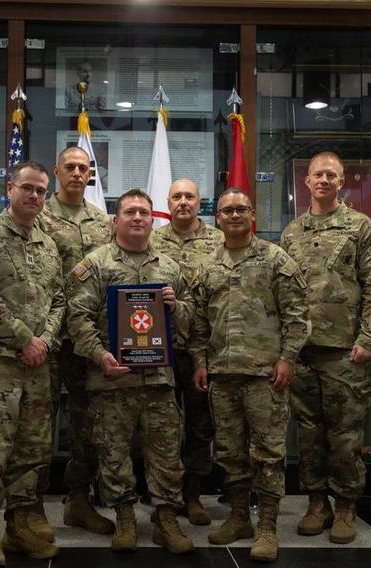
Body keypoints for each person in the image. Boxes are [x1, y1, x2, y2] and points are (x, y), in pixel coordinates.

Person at [67, 189, 194, 554]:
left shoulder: (170, 267)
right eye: (129, 212)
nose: (138, 217)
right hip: (110, 379)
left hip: (158, 380)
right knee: (113, 452)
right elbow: (78, 317)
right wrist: (99, 354)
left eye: (143, 212)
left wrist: (175, 306)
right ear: (115, 220)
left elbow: (191, 319)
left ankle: (165, 519)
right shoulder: (95, 264)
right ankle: (124, 515)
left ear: (153, 220)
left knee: (167, 452)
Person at [280, 151, 371, 544]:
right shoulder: (292, 232)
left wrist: (368, 340)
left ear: (342, 181)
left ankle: (346, 506)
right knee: (309, 434)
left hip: (345, 351)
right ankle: (316, 503)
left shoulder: (361, 228)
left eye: (332, 175)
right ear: (306, 181)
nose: (324, 180)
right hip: (303, 351)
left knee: (346, 437)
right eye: (317, 175)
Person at [190, 189, 310, 562]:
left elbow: (297, 314)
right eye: (228, 210)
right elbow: (197, 321)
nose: (235, 215)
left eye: (241, 209)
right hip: (222, 375)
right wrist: (199, 361)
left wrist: (288, 358)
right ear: (218, 218)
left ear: (252, 214)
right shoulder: (208, 266)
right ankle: (239, 516)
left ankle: (268, 526)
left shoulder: (276, 260)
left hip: (265, 374)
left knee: (269, 453)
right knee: (230, 452)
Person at [0, 160, 65, 564]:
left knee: (32, 449)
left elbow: (59, 300)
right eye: (28, 188)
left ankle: (20, 526)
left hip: (37, 365)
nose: (35, 196)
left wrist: (45, 340)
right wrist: (24, 338)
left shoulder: (49, 243)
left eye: (41, 190)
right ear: (10, 188)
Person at [36, 146, 114, 536]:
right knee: (37, 424)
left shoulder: (103, 223)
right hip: (46, 338)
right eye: (70, 167)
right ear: (56, 170)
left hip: (88, 341)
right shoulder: (38, 216)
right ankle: (29, 510)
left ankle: (78, 500)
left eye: (85, 169)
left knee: (88, 424)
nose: (78, 174)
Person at [150, 178, 224, 525]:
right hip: (157, 349)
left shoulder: (219, 241)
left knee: (200, 424)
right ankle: (165, 495)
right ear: (168, 202)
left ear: (200, 202)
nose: (183, 202)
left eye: (189, 196)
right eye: (176, 196)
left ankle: (192, 495)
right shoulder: (152, 239)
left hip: (202, 350)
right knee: (160, 426)